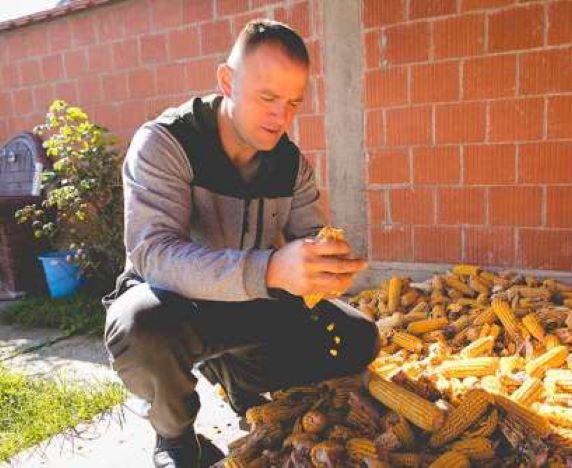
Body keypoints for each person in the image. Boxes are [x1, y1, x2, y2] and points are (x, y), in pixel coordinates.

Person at [103, 19, 380, 468]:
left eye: (293, 103)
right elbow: (153, 253)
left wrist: (325, 264)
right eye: (267, 98)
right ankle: (174, 438)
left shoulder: (289, 163)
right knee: (140, 325)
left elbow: (310, 235)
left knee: (356, 338)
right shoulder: (165, 143)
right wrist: (271, 269)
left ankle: (241, 381)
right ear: (227, 81)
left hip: (252, 304)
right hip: (180, 305)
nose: (280, 117)